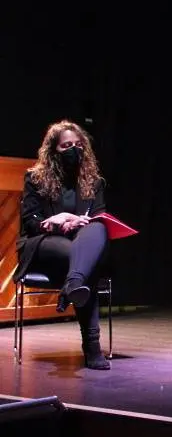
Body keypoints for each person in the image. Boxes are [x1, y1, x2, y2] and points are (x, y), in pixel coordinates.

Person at [15, 120, 111, 370]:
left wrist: (80, 223)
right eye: (66, 145)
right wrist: (60, 221)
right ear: (53, 150)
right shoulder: (35, 179)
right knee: (82, 263)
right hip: (42, 244)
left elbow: (99, 216)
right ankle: (92, 347)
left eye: (79, 145)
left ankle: (72, 285)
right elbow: (31, 222)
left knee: (97, 229)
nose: (74, 149)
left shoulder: (95, 182)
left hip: (81, 244)